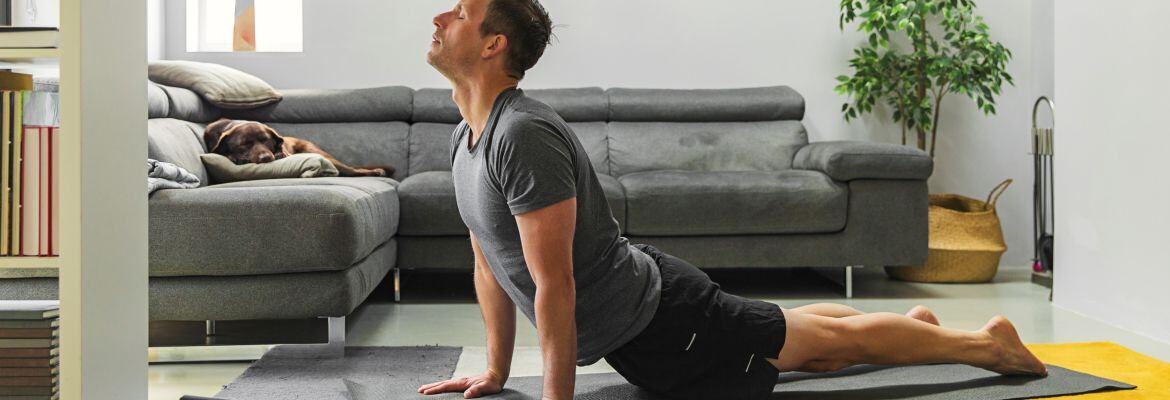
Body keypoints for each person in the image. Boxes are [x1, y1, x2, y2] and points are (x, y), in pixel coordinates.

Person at [417, 1, 1048, 398]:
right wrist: (496, 371)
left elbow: (555, 285)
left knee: (824, 353)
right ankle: (912, 330)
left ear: (494, 44)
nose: (440, 19)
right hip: (644, 321)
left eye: (460, 14)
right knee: (795, 333)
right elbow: (490, 262)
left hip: (666, 322)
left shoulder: (522, 135)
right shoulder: (467, 138)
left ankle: (985, 345)